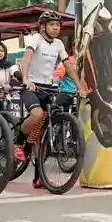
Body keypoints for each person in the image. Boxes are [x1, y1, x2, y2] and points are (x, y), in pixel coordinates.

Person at [19, 11, 83, 190]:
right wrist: (26, 79)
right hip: (32, 87)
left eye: (58, 25)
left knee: (41, 133)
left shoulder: (59, 44)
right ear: (42, 27)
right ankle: (18, 142)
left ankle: (38, 178)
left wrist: (80, 87)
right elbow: (27, 58)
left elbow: (68, 68)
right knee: (37, 115)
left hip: (48, 88)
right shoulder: (36, 39)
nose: (56, 28)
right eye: (52, 25)